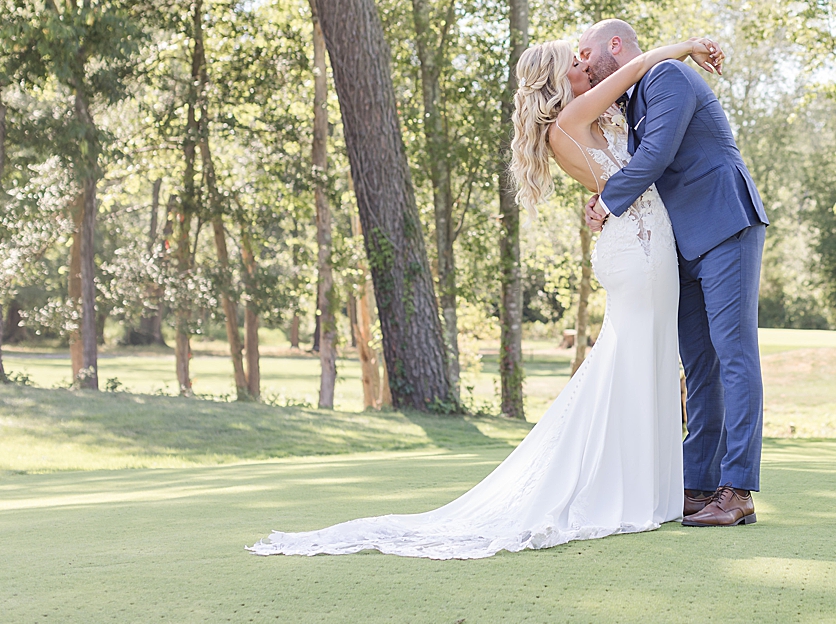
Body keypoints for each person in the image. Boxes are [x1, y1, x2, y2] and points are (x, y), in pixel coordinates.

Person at [249, 33, 721, 560]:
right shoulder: (568, 121)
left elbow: (631, 153)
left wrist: (601, 200)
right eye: (576, 61)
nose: (586, 65)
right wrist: (684, 46)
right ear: (558, 78)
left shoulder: (591, 121)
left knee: (647, 360)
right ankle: (628, 491)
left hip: (645, 246)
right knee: (632, 361)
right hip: (635, 254)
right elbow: (634, 71)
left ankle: (651, 489)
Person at [579, 18, 768, 528]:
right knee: (700, 366)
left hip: (724, 221)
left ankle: (739, 489)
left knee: (734, 354)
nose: (582, 63)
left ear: (614, 45)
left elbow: (656, 155)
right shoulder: (628, 101)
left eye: (585, 52)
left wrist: (608, 203)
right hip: (680, 245)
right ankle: (700, 483)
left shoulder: (665, 77)